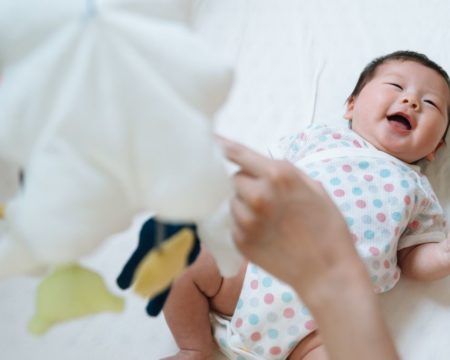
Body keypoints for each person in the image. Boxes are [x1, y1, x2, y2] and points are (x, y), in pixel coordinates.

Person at [162, 50, 450, 360]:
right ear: (351, 105)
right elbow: (264, 177)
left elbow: (412, 259)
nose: (412, 102)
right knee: (183, 259)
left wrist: (442, 255)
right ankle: (194, 347)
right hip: (253, 271)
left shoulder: (417, 190)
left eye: (431, 103)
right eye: (396, 86)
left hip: (322, 323)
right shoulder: (318, 139)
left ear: (436, 147)